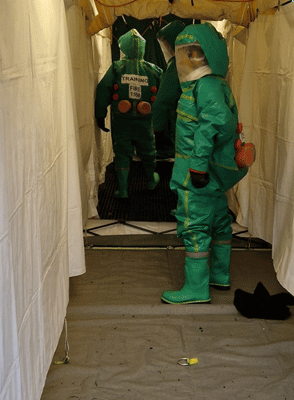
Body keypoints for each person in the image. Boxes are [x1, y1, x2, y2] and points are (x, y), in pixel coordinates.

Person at [161, 23, 249, 304]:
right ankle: (220, 275)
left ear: (211, 56)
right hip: (211, 174)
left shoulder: (205, 86)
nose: (189, 60)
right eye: (186, 54)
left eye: (195, 54)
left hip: (196, 174)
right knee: (220, 220)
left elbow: (215, 124)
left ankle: (196, 288)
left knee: (195, 225)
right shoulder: (211, 84)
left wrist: (197, 167)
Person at [95, 29, 163, 198]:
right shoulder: (153, 70)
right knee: (148, 149)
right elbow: (164, 97)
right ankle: (150, 180)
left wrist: (100, 114)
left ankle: (123, 189)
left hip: (122, 120)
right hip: (145, 120)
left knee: (123, 151)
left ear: (123, 48)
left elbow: (104, 89)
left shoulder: (117, 68)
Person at [152, 20, 186, 158]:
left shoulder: (176, 65)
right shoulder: (197, 60)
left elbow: (162, 102)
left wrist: (157, 131)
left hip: (178, 133)